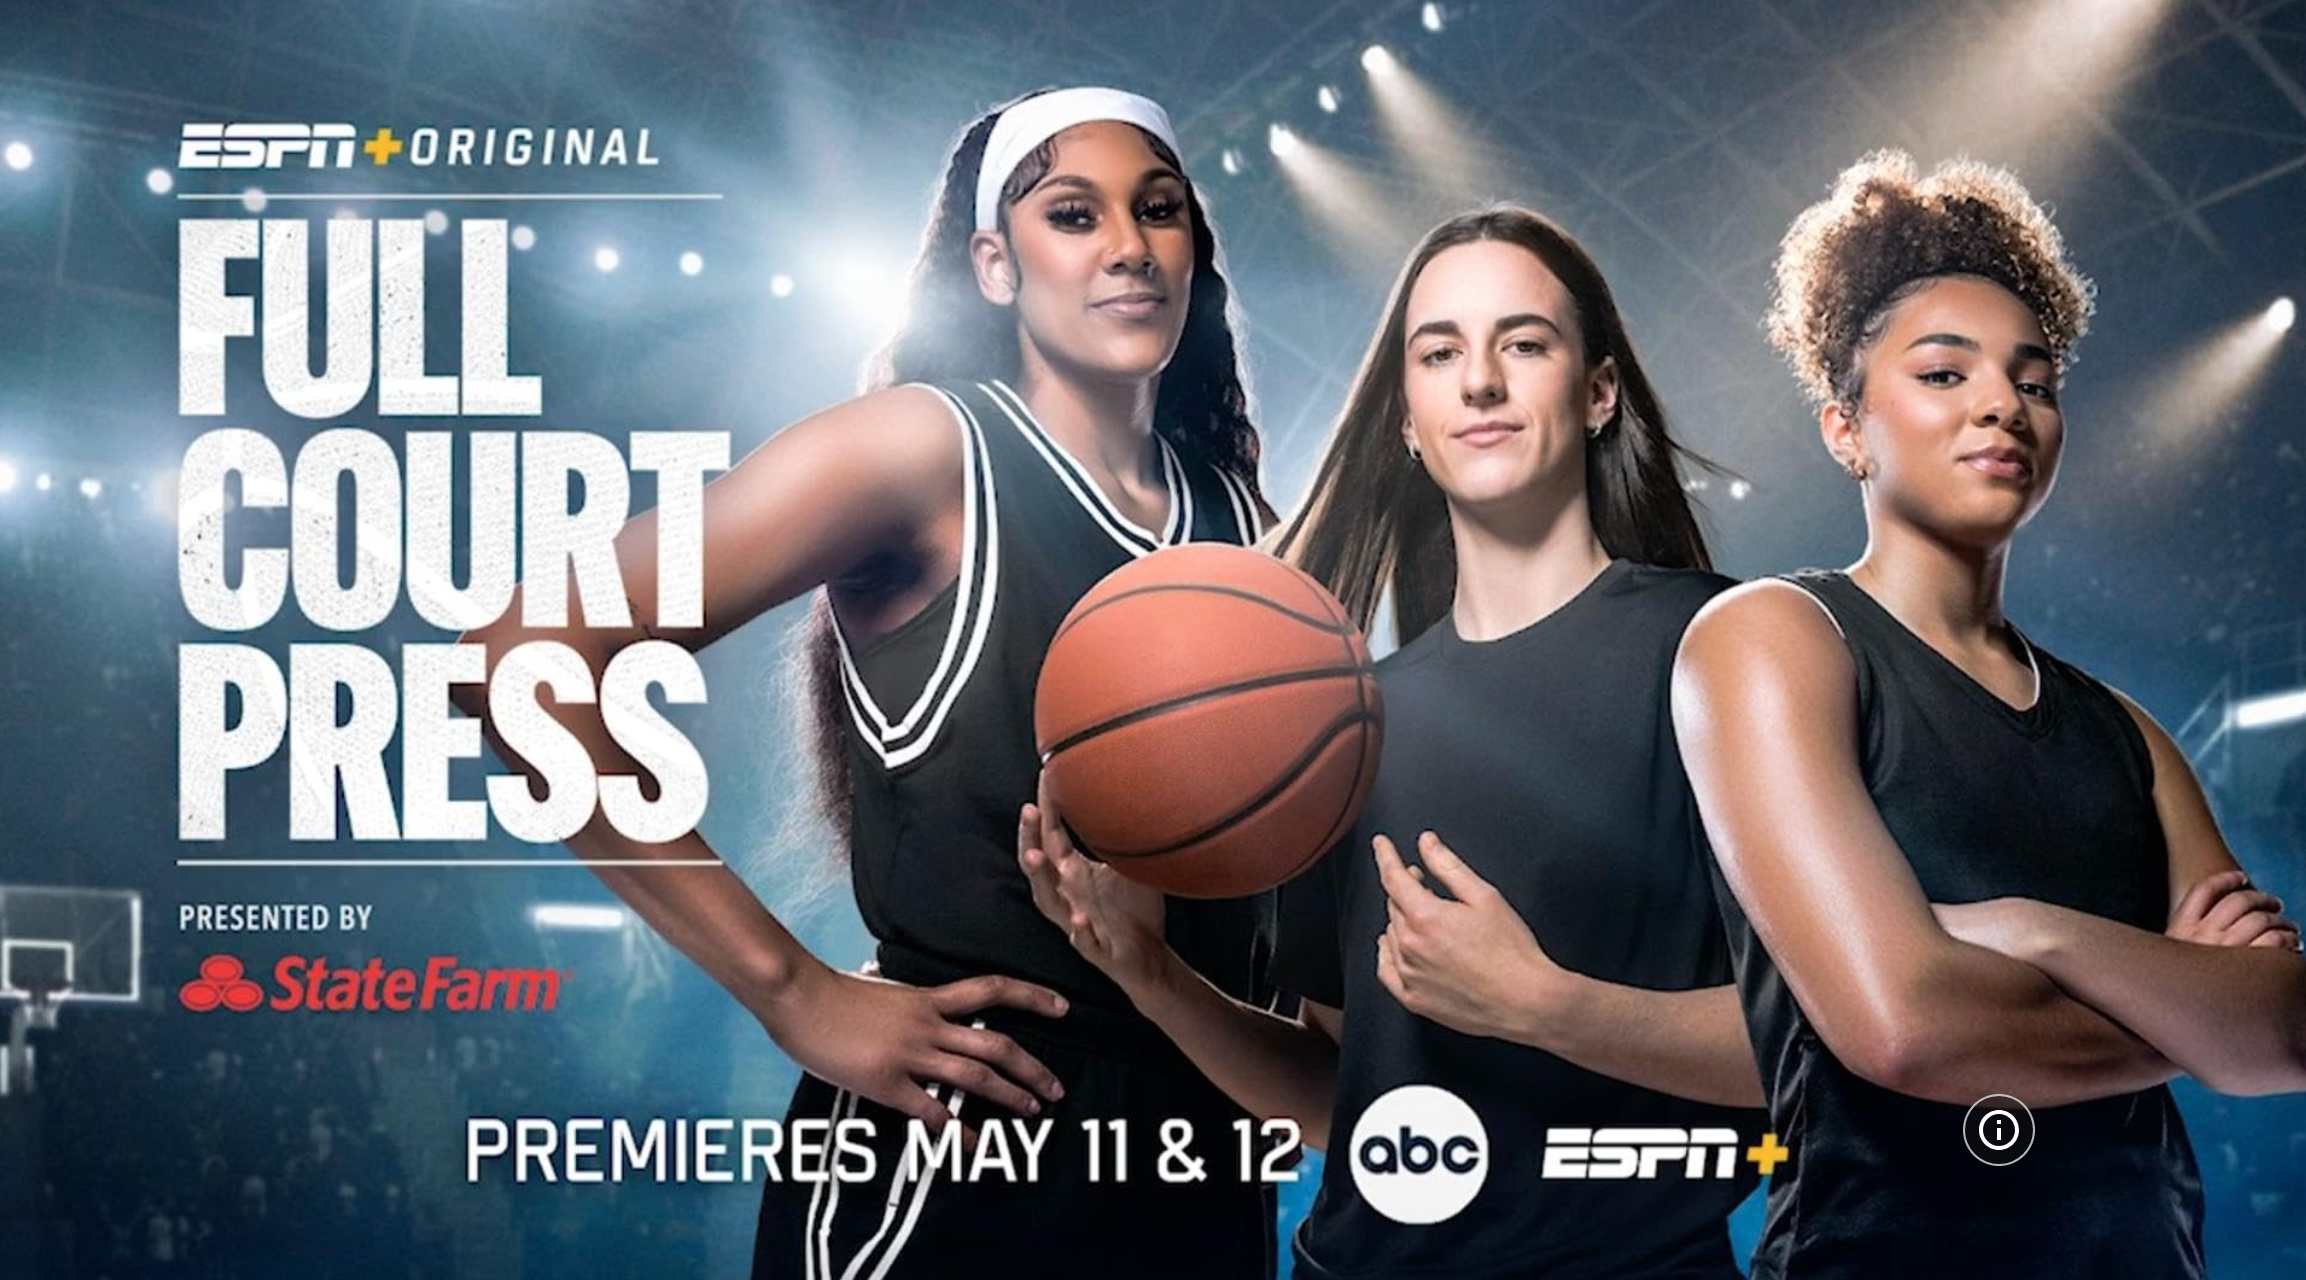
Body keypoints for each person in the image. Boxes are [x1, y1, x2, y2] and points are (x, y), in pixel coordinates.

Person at [458, 87, 1281, 1279]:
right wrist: (790, 988)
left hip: (1198, 1154)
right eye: (1071, 213)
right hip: (960, 1135)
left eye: (1157, 209)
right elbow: (517, 656)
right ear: (992, 264)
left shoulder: (1247, 523)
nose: (1126, 244)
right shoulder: (920, 448)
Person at [1020, 206, 1768, 1280]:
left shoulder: (1721, 646)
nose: (1480, 382)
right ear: (1409, 421)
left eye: (1523, 343)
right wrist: (1150, 973)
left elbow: (1835, 1042)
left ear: (1599, 391)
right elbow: (1345, 1098)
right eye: (1439, 353)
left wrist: (1546, 1006)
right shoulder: (1338, 725)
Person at [1672, 150, 2306, 1279]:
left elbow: (2284, 1032)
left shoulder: (2130, 735)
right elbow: (1906, 1027)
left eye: (2034, 381)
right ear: (1845, 429)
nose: (2002, 403)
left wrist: (2031, 929)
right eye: (1942, 372)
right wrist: (2188, 1013)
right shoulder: (1774, 639)